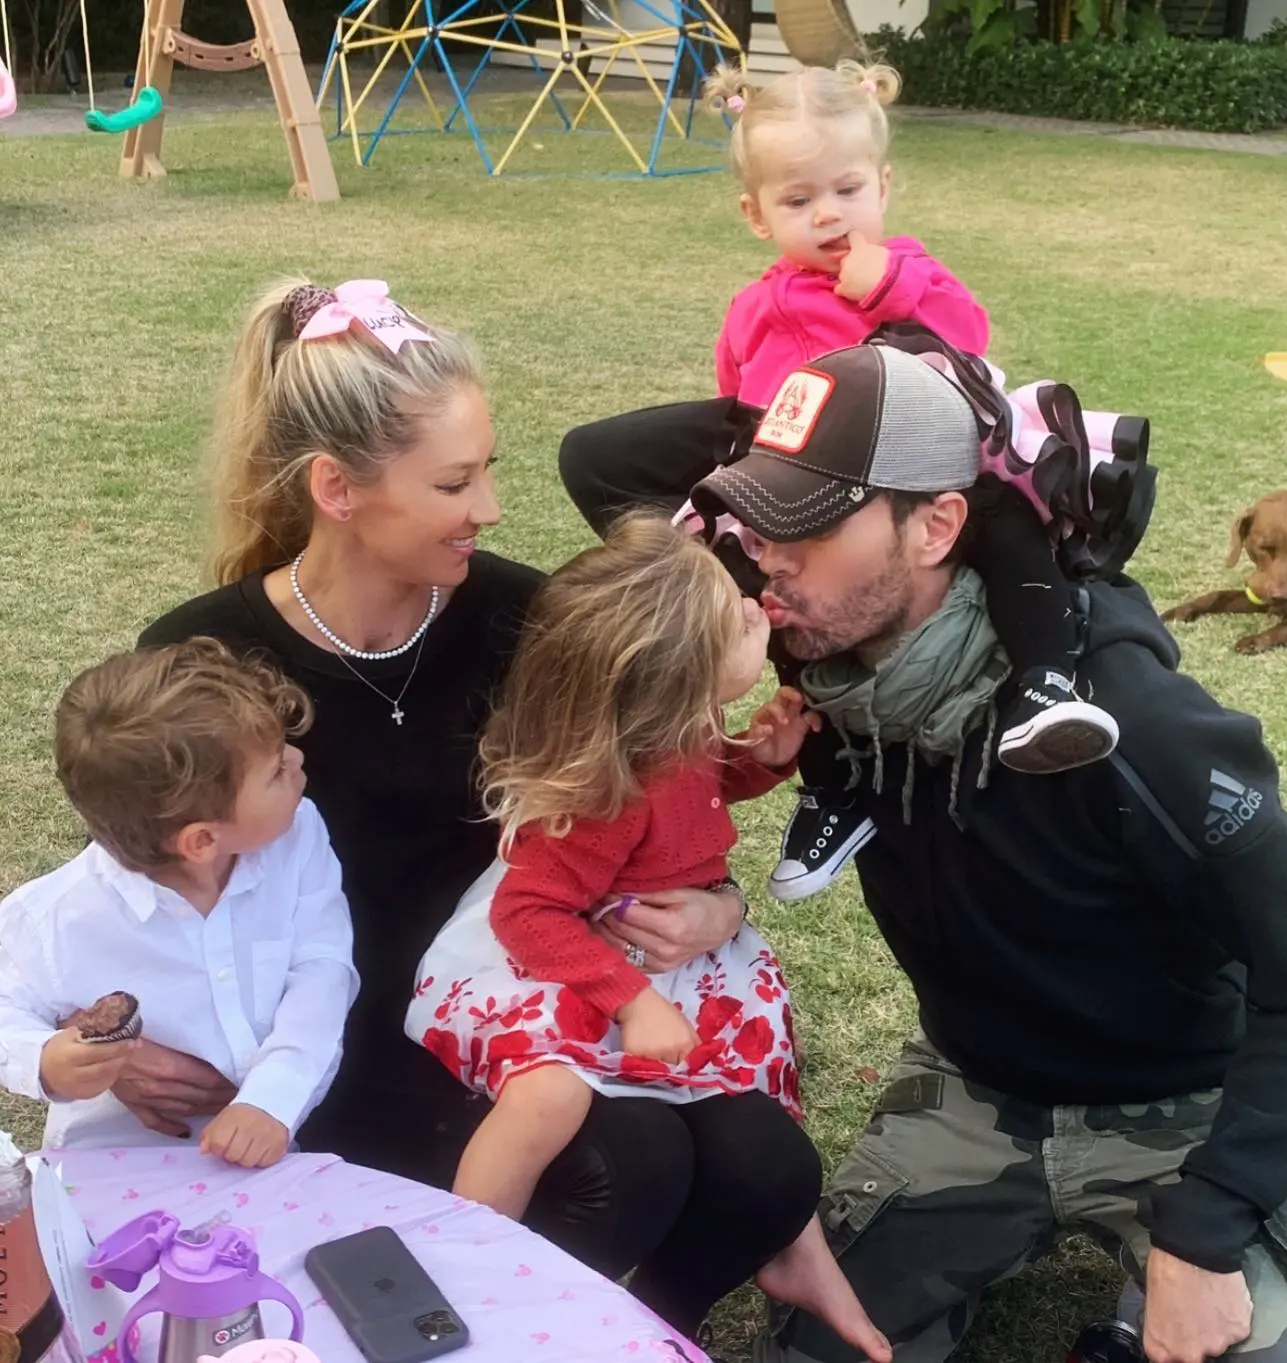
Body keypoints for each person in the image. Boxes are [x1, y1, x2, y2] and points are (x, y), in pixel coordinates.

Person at [133, 278, 823, 1312]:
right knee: (625, 1161)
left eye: (485, 472)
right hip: (327, 1043)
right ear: (337, 488)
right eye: (455, 483)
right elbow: (145, 883)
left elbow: (652, 791)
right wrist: (132, 1045)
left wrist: (718, 908)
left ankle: (633, 1331)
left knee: (767, 1160)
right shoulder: (204, 656)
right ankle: (479, 1319)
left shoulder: (522, 614)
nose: (490, 508)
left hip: (520, 999)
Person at [686, 340, 1287, 1363]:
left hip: (1182, 1105)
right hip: (970, 1087)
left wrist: (1211, 1220)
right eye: (759, 516)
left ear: (938, 525)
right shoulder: (833, 688)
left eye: (811, 522)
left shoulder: (1125, 718)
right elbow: (610, 469)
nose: (767, 556)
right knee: (813, 1350)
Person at [559, 61, 1143, 908]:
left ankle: (1043, 685)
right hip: (788, 456)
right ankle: (773, 695)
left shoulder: (904, 269)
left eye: (847, 189)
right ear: (755, 215)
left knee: (1002, 516)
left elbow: (967, 339)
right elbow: (736, 385)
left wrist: (892, 290)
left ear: (883, 186)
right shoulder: (757, 302)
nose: (829, 214)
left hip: (912, 448)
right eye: (798, 201)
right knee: (623, 473)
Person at [406, 515, 887, 1352]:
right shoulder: (609, 795)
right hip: (558, 963)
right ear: (682, 679)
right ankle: (463, 1258)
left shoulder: (673, 733)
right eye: (735, 621)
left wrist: (759, 761)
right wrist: (629, 1003)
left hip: (654, 956)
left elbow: (694, 795)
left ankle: (753, 1267)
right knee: (545, 1092)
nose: (757, 612)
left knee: (753, 1087)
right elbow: (527, 914)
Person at [0, 638, 356, 1164]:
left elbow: (323, 969)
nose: (299, 761)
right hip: (109, 1176)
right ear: (202, 841)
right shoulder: (56, 916)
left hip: (259, 1166)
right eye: (276, 770)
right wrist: (44, 1060)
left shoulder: (297, 837)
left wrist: (271, 1099)